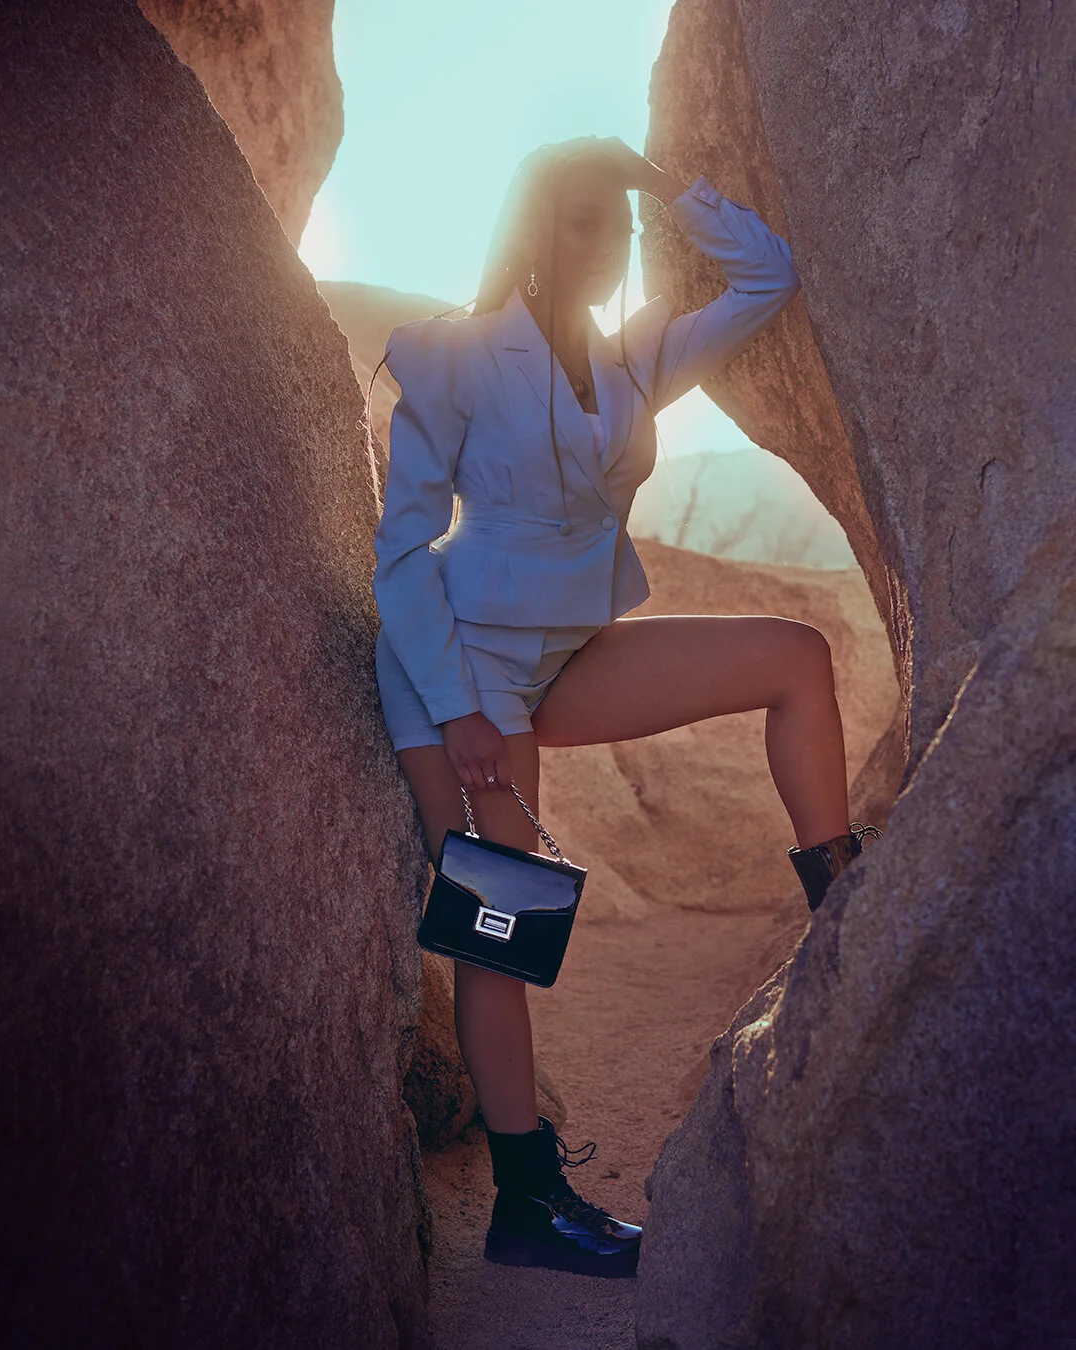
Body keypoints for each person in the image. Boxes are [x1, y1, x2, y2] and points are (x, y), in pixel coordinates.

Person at [366, 136, 881, 1279]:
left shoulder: (635, 357)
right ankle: (528, 1202)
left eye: (621, 225)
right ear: (538, 231)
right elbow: (400, 554)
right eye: (586, 219)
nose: (609, 243)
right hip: (462, 671)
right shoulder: (454, 358)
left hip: (568, 651)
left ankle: (842, 893)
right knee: (506, 929)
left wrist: (666, 187)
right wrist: (457, 712)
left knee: (794, 658)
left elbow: (769, 279)